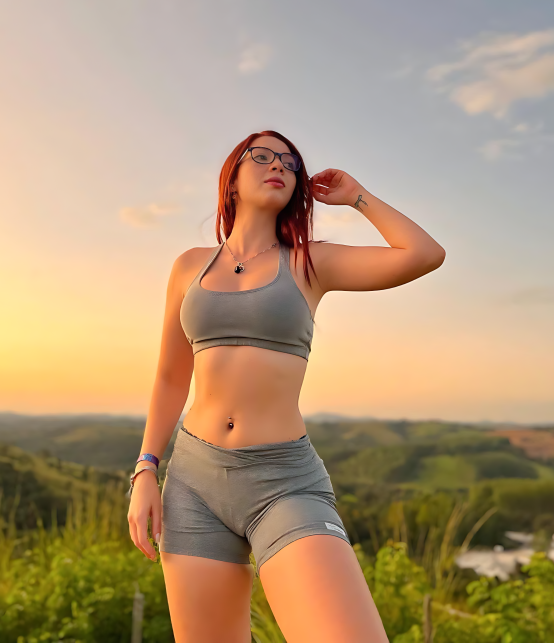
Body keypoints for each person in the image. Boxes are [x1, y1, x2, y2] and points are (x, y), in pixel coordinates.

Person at [127, 130, 445, 643]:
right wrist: (146, 469)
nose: (279, 164)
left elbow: (424, 253)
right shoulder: (188, 265)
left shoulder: (308, 261)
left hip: (283, 481)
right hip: (192, 482)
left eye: (290, 162)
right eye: (263, 155)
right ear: (232, 179)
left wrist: (357, 197)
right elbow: (170, 376)